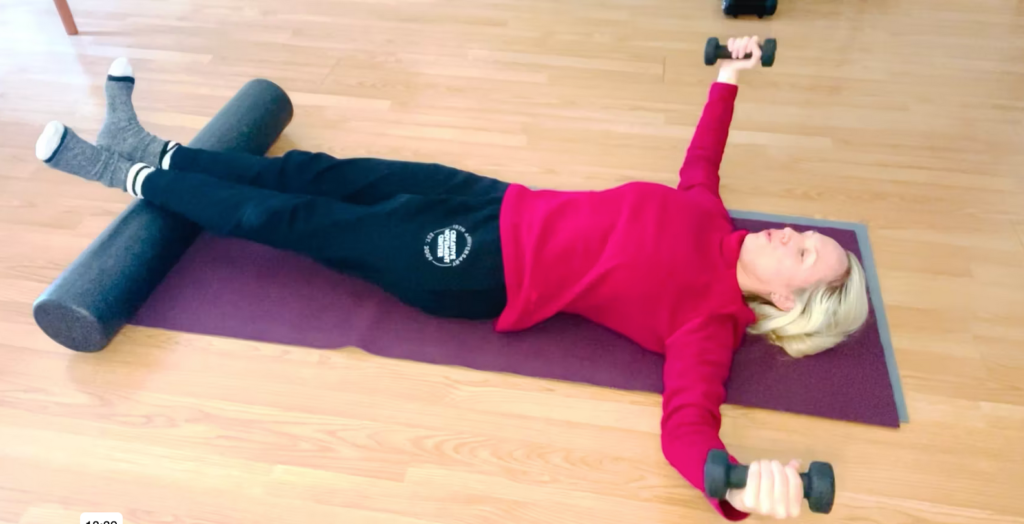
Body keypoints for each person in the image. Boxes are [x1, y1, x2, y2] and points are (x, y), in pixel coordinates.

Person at [35, 36, 868, 520]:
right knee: (325, 172)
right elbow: (702, 157)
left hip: (482, 269)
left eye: (804, 254)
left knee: (300, 224)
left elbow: (687, 429)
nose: (796, 236)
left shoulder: (707, 326)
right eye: (807, 238)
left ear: (788, 301)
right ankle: (159, 149)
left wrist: (742, 491)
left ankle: (125, 175)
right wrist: (731, 76)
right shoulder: (710, 218)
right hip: (494, 200)